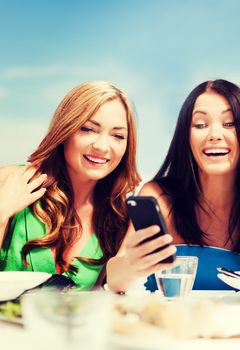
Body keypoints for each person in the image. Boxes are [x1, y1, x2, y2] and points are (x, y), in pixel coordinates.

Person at [106, 79, 240, 292]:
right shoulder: (160, 196)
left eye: (229, 123)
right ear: (186, 136)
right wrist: (131, 263)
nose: (214, 135)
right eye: (200, 125)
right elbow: (115, 282)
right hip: (161, 321)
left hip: (233, 325)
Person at [0, 81, 140, 290]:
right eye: (88, 129)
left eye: (117, 136)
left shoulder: (117, 219)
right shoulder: (12, 180)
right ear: (65, 130)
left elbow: (100, 300)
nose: (102, 146)